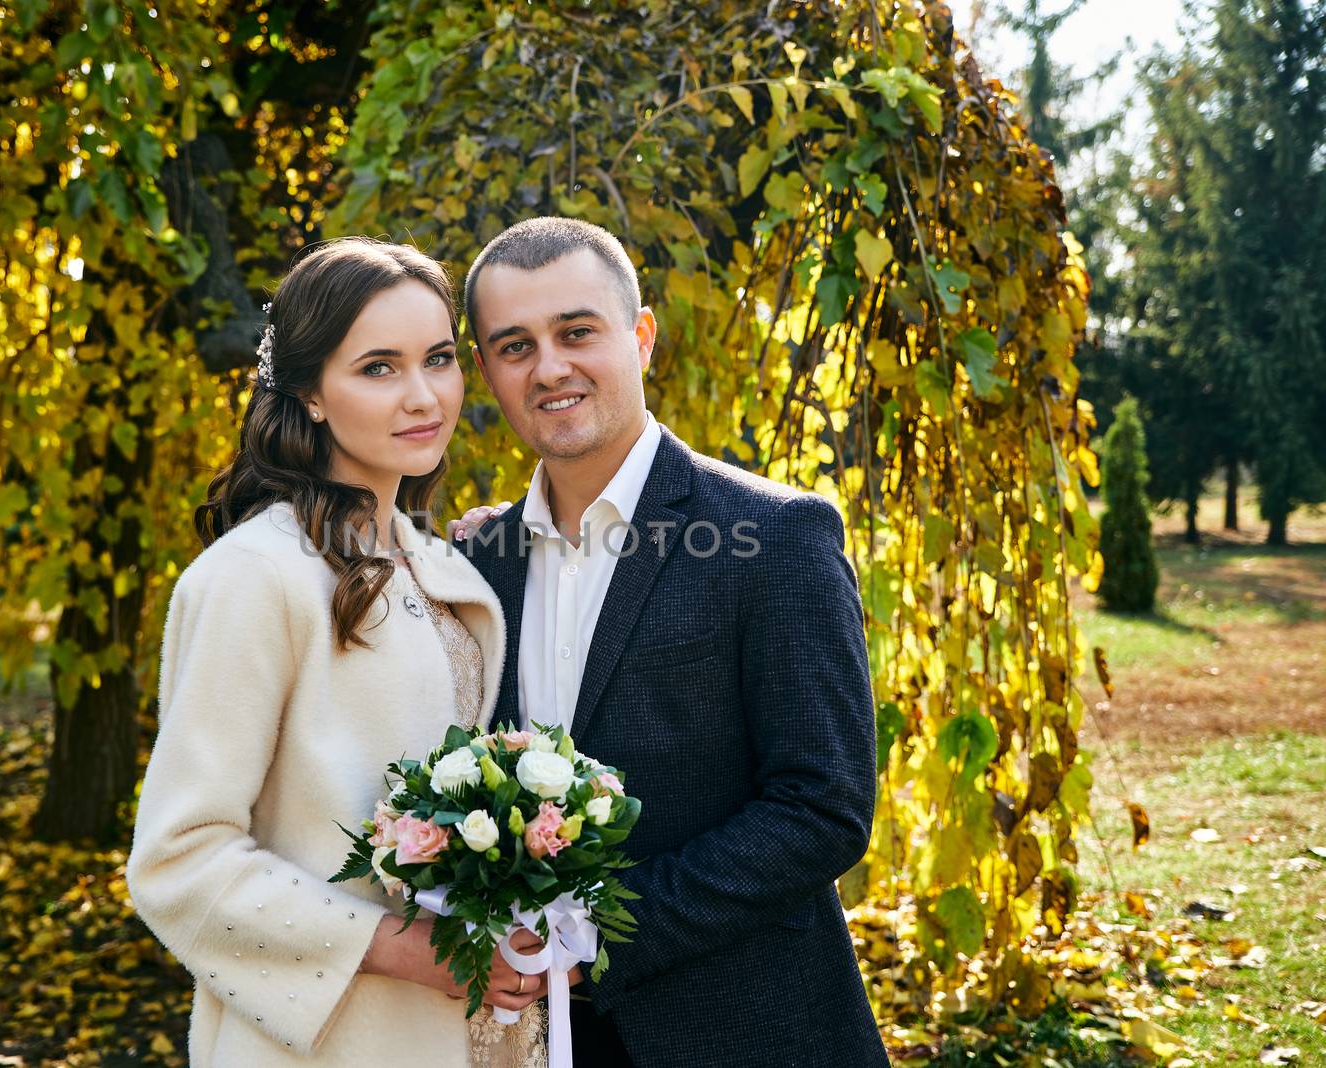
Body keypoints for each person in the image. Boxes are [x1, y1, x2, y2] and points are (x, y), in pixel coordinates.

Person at [450, 217, 889, 1066]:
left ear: (640, 337)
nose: (550, 368)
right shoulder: (473, 567)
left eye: (577, 332)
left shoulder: (775, 535)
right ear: (485, 372)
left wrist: (590, 934)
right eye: (515, 346)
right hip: (528, 1043)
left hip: (742, 1030)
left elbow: (822, 806)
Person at [126, 237, 548, 1066]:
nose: (423, 396)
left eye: (438, 359)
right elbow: (179, 857)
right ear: (311, 393)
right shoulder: (255, 576)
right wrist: (401, 948)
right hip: (332, 1043)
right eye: (379, 368)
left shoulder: (443, 570)